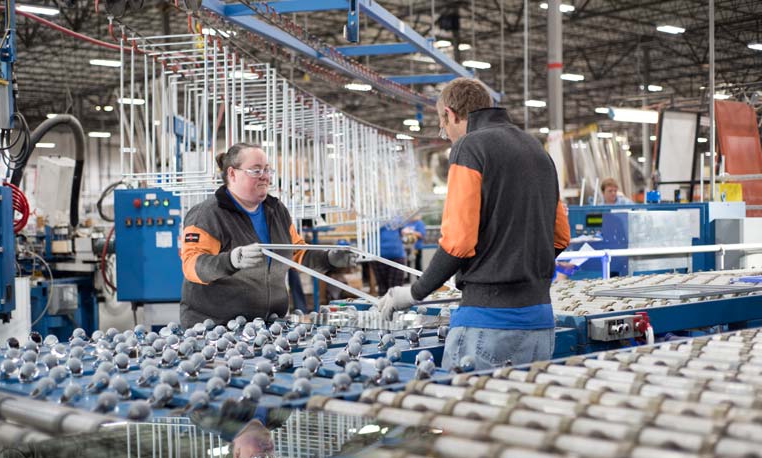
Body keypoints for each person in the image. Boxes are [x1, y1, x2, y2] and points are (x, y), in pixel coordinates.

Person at [378, 78, 570, 370]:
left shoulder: (471, 147)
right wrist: (511, 262)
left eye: (444, 127)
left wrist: (413, 293)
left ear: (451, 114)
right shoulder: (537, 150)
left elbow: (459, 242)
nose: (447, 136)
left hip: (488, 325)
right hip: (541, 324)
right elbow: (559, 238)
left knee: (464, 413)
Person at [179, 142, 353, 328]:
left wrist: (329, 259)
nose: (264, 177)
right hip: (217, 329)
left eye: (267, 170)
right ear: (232, 174)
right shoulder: (207, 215)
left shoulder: (276, 210)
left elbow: (297, 254)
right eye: (255, 171)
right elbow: (192, 265)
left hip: (268, 326)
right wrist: (231, 261)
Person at [372, 223, 406, 296]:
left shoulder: (397, 216)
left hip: (395, 255)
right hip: (378, 255)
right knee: (384, 289)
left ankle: (393, 306)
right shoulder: (369, 216)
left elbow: (403, 231)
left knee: (396, 289)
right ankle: (385, 306)